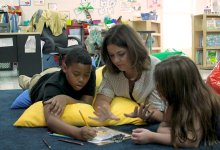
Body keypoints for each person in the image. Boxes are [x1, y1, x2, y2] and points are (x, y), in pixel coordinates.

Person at [131, 56, 220, 148]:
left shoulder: (198, 102)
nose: (157, 87)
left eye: (162, 83)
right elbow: (164, 126)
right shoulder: (175, 99)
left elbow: (191, 141)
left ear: (177, 86)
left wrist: (152, 137)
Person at [90, 24, 165, 123]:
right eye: (112, 56)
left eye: (121, 54)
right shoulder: (111, 72)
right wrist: (104, 110)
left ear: (134, 49)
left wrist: (146, 115)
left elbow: (161, 114)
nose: (116, 61)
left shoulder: (156, 70)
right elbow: (102, 99)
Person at [29, 48, 97, 141]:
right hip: (39, 84)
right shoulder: (53, 86)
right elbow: (50, 119)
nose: (81, 79)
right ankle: (27, 80)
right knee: (33, 80)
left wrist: (66, 99)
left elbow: (87, 102)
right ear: (65, 68)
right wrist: (78, 133)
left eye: (86, 75)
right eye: (76, 74)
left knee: (53, 72)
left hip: (57, 73)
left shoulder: (90, 72)